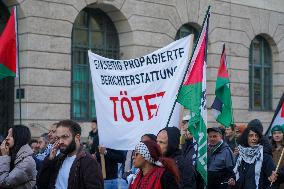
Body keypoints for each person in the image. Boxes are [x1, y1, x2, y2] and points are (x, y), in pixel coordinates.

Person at [37, 119, 103, 189]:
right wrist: (49, 159)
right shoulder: (57, 159)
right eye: (58, 138)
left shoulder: (88, 162)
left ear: (77, 137)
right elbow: (41, 183)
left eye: (65, 137)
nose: (60, 141)